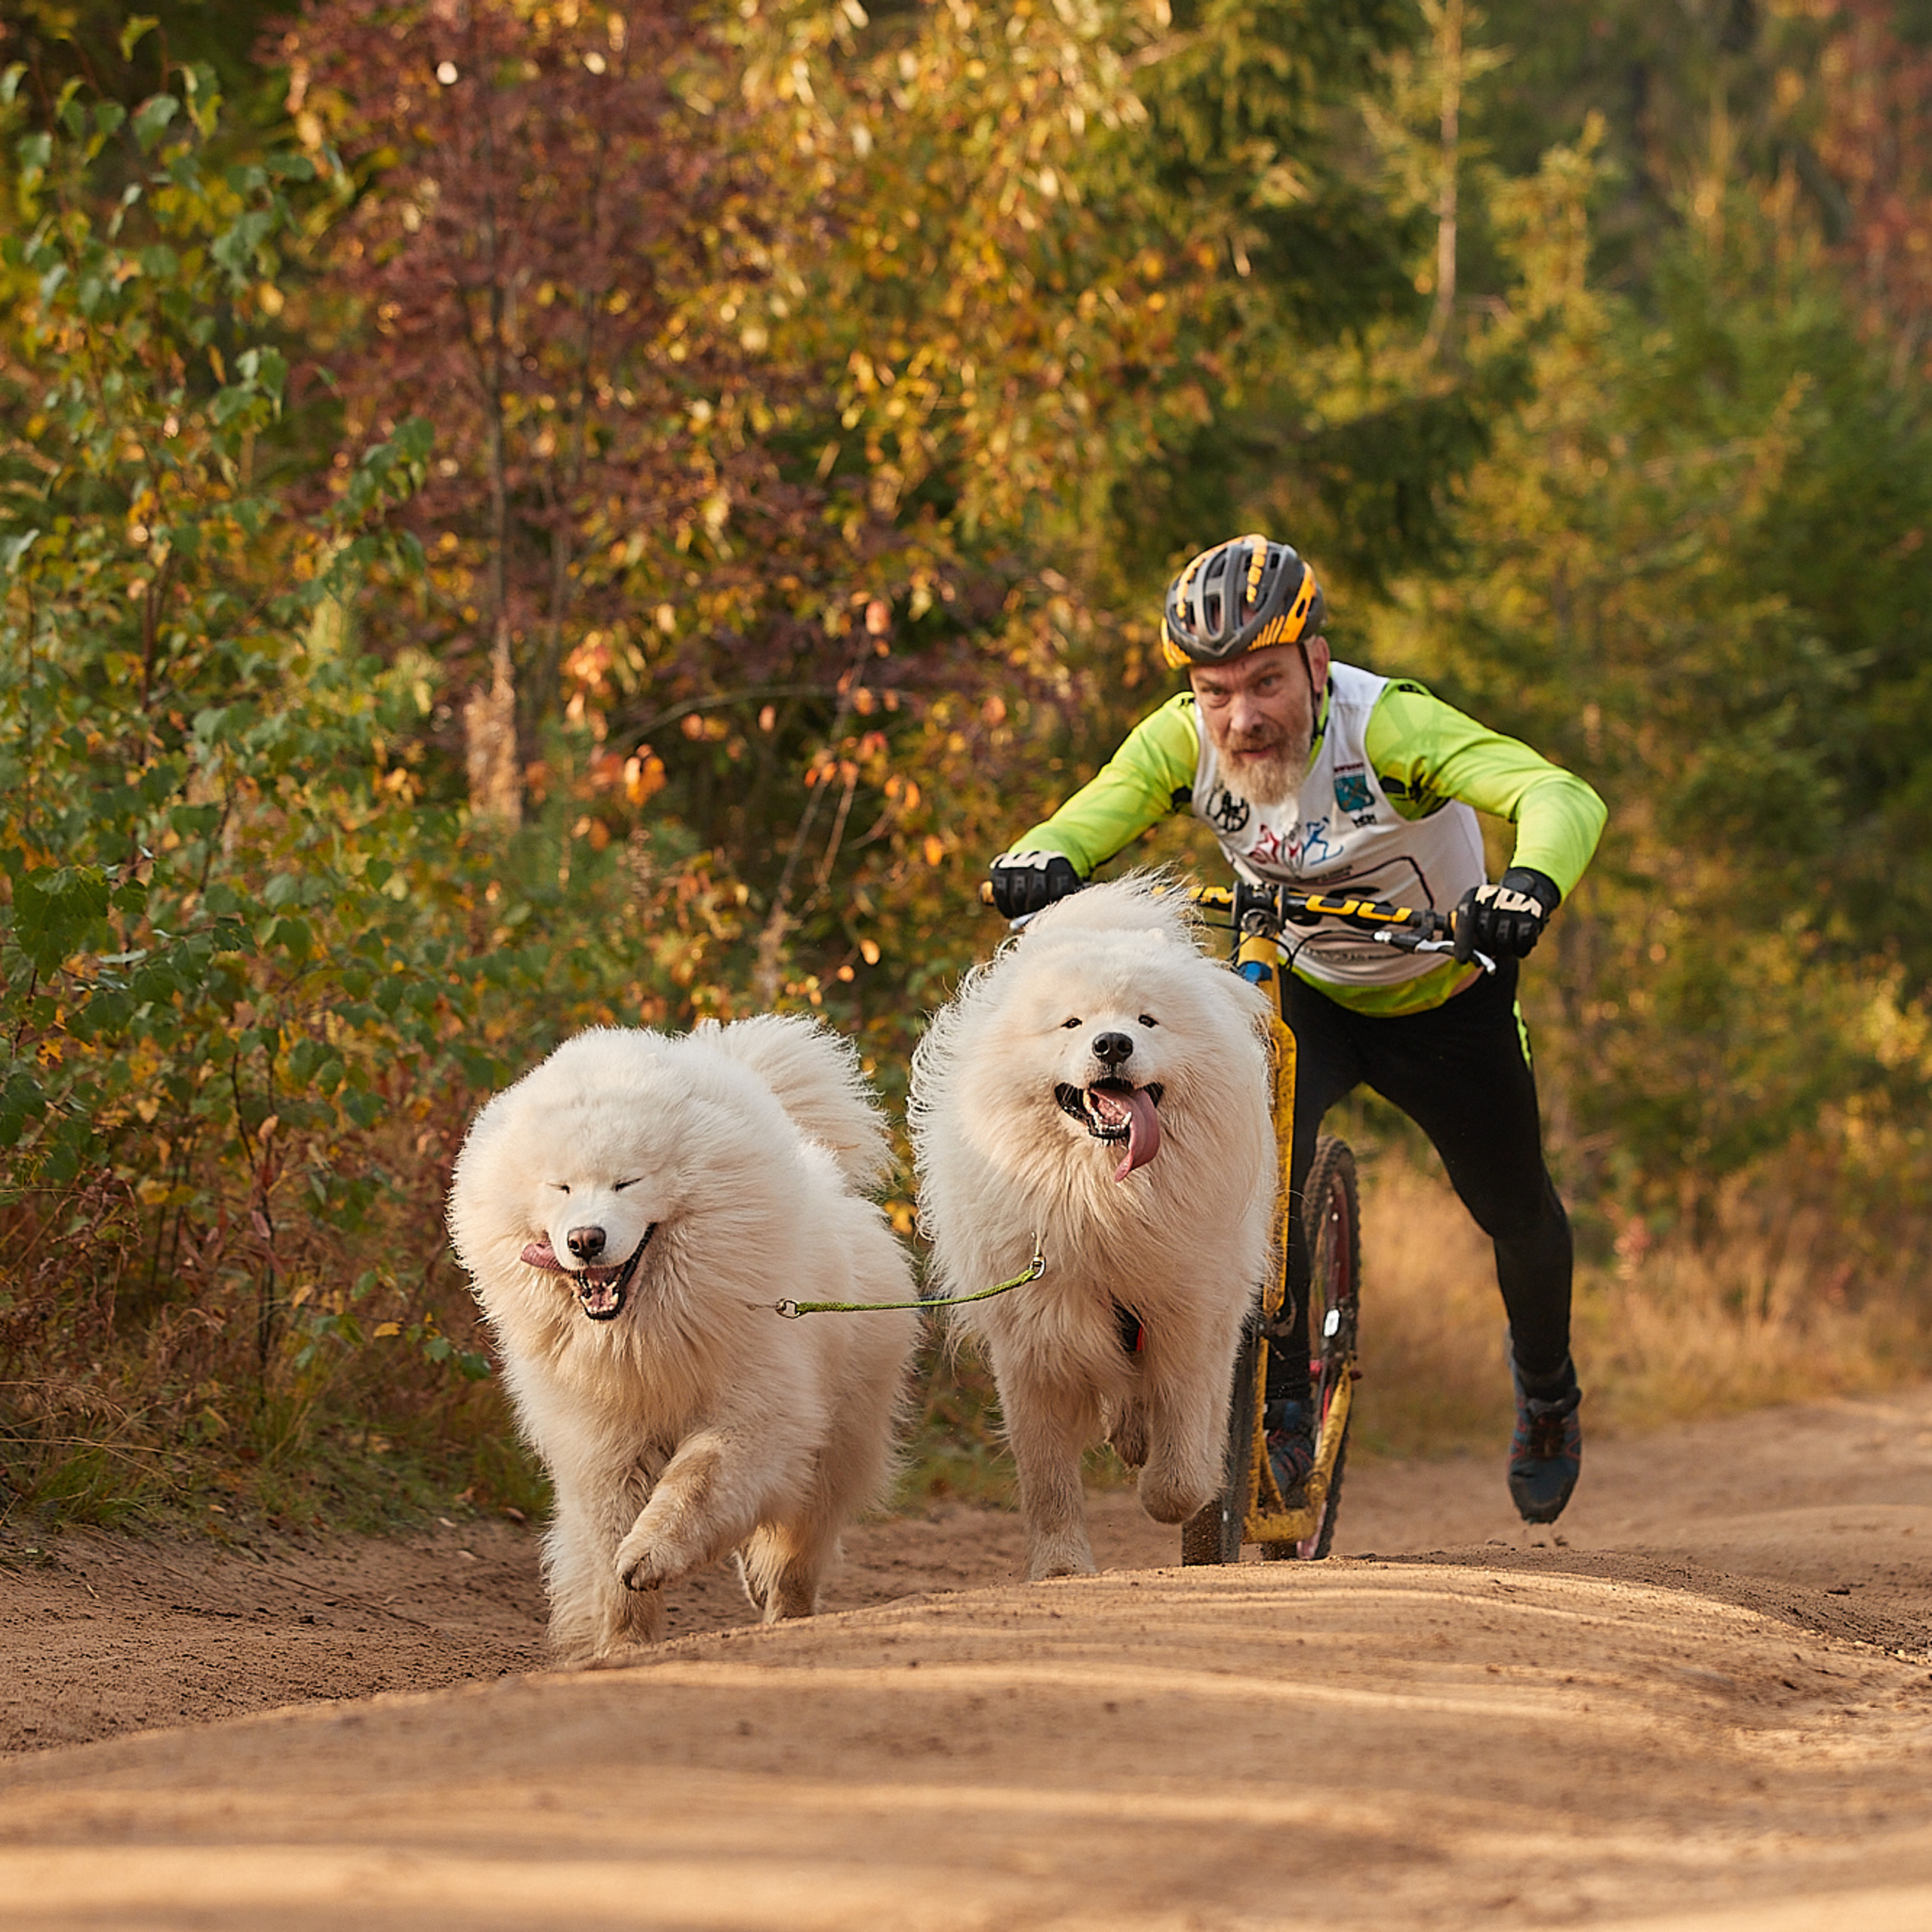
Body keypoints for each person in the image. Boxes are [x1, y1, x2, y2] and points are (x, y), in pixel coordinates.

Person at [986, 534, 1607, 1524]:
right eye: (1216, 691)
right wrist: (1038, 859)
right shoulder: (1182, 739)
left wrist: (1528, 885)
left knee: (1515, 1209)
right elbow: (1082, 822)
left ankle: (1546, 1395)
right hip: (1300, 988)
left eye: (1267, 682)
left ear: (1317, 664)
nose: (1242, 717)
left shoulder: (1386, 726)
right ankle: (1277, 1405)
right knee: (1248, 1170)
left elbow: (1557, 793)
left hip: (1445, 999)